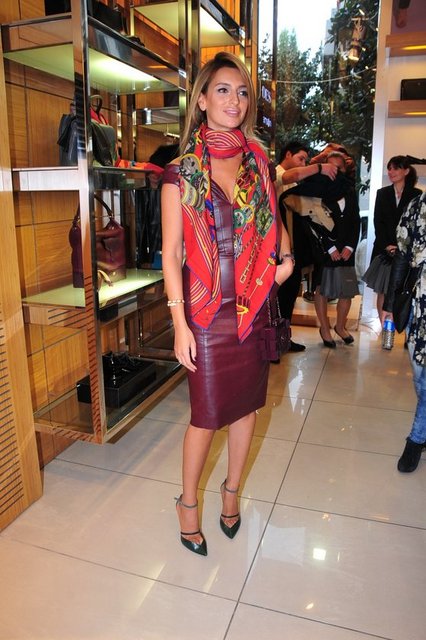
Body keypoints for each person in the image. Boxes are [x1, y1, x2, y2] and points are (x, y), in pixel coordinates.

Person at [161, 52, 293, 556]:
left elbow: (275, 222)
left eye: (241, 92)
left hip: (252, 306)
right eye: (222, 90)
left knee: (247, 409)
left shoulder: (259, 162)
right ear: (201, 99)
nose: (234, 100)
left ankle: (232, 491)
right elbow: (172, 254)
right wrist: (179, 323)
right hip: (204, 312)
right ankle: (187, 503)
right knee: (206, 415)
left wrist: (285, 259)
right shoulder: (180, 172)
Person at [275, 141, 338, 352]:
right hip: (276, 248)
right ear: (287, 154)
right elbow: (292, 175)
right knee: (280, 297)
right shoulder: (277, 174)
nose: (303, 163)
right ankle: (275, 341)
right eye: (300, 158)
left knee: (290, 294)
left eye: (305, 160)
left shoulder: (295, 182)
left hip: (290, 248)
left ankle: (283, 338)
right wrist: (319, 167)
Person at [384, 191, 426, 472]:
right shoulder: (416, 206)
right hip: (418, 302)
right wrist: (390, 304)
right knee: (420, 376)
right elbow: (401, 255)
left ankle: (416, 439)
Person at [362, 155, 421, 324]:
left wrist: (402, 247)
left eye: (396, 168)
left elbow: (417, 224)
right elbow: (378, 222)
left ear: (406, 171)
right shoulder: (382, 193)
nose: (391, 172)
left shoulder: (417, 195)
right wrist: (387, 245)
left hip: (406, 251)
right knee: (383, 289)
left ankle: (399, 325)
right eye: (389, 168)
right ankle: (384, 328)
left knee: (402, 289)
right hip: (384, 249)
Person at [312, 151, 361, 347]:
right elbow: (314, 221)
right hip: (325, 249)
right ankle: (324, 328)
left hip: (346, 249)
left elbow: (355, 221)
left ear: (344, 169)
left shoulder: (350, 190)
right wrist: (330, 247)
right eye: (330, 166)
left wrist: (350, 246)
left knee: (346, 291)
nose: (335, 170)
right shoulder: (317, 190)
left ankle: (340, 327)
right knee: (321, 289)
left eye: (338, 167)